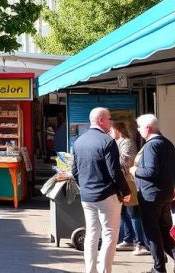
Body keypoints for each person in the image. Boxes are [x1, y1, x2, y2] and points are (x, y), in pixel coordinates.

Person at [71, 107, 130, 273]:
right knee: (110, 233)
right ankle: (105, 271)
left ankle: (90, 270)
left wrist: (84, 186)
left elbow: (75, 171)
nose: (111, 123)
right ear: (101, 120)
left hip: (87, 196)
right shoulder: (107, 141)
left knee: (91, 233)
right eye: (109, 119)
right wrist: (125, 191)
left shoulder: (79, 141)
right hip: (106, 195)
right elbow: (114, 171)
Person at [133, 114, 175, 273]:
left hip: (151, 196)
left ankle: (159, 268)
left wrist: (134, 170)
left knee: (152, 233)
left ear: (147, 128)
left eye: (140, 127)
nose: (139, 131)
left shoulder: (151, 146)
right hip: (165, 195)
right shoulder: (167, 143)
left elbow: (150, 171)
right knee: (163, 229)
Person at [111, 122, 149, 255]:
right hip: (119, 183)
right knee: (123, 213)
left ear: (118, 130)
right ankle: (128, 239)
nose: (110, 133)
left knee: (133, 212)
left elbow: (126, 161)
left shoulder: (127, 143)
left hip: (129, 183)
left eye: (112, 130)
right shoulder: (115, 143)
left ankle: (140, 243)